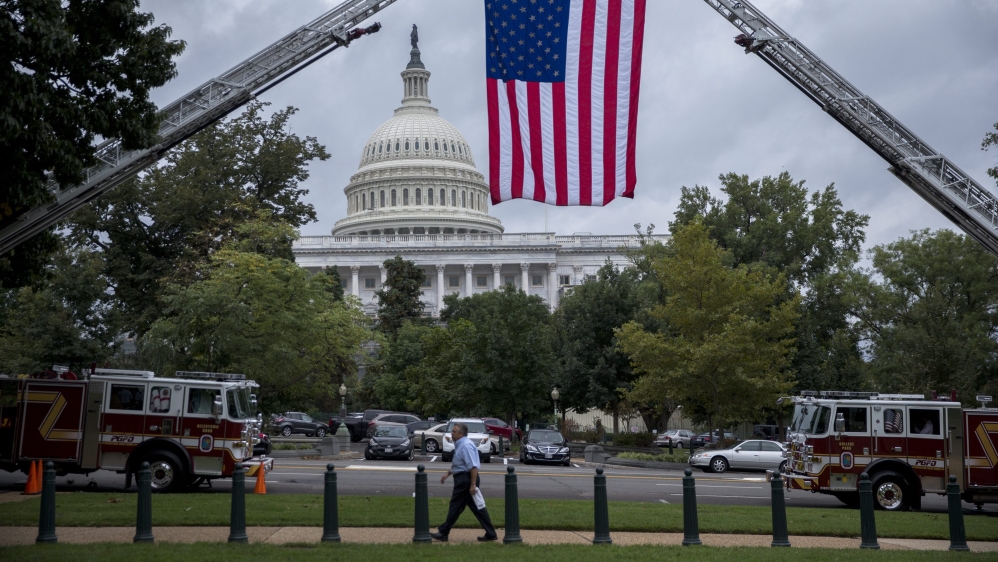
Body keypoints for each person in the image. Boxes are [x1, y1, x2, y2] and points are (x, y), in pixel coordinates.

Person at [430, 423, 497, 542]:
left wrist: (472, 484)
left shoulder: (466, 446)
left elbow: (473, 467)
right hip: (465, 478)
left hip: (466, 480)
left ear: (461, 434)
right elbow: (460, 463)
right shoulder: (460, 444)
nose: (451, 433)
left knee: (455, 506)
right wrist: (449, 473)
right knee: (477, 507)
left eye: (454, 431)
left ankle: (444, 532)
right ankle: (491, 533)